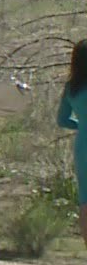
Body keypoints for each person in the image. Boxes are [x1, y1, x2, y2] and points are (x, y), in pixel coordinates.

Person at [57, 40, 87, 243]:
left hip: (82, 146)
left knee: (85, 200)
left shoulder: (71, 87)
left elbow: (62, 119)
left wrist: (83, 125)